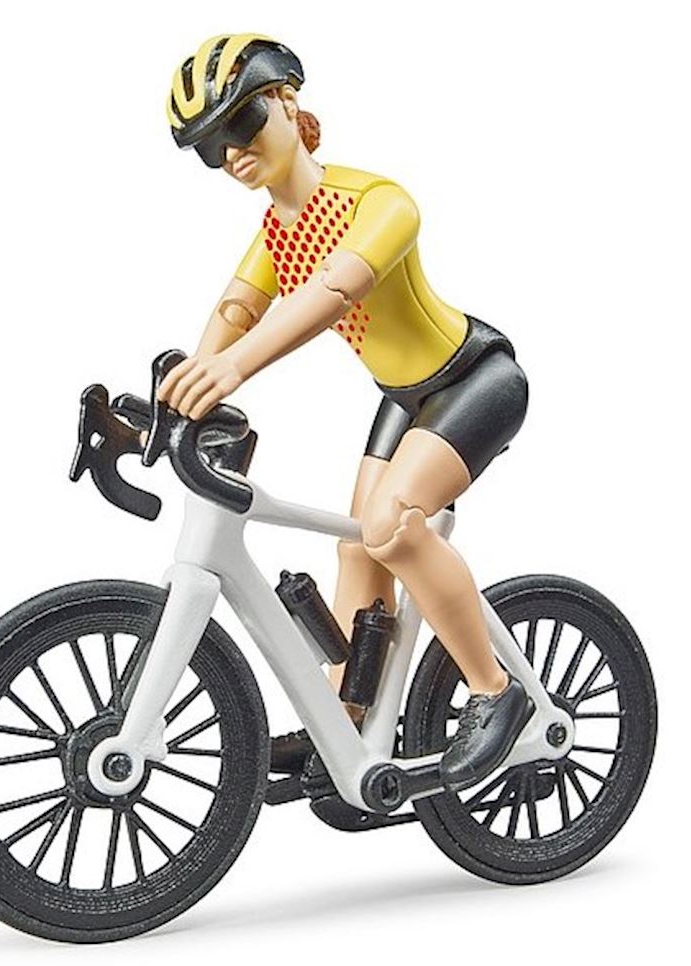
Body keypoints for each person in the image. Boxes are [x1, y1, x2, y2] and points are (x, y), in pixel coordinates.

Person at [160, 33, 532, 791]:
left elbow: (333, 291)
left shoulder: (378, 202)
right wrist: (190, 382)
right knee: (358, 547)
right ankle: (348, 716)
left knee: (392, 527)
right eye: (209, 149)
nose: (231, 154)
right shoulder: (276, 229)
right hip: (405, 395)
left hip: (475, 379)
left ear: (287, 103)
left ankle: (496, 692)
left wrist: (231, 369)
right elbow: (237, 308)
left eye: (242, 124)